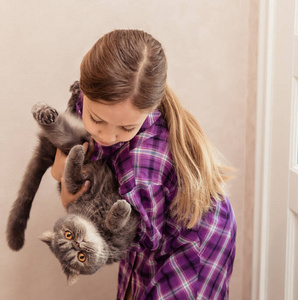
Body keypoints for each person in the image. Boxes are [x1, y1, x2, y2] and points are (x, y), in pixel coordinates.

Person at [50, 29, 236, 299]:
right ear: (84, 90)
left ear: (148, 110)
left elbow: (127, 240)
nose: (107, 136)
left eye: (125, 127)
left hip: (196, 244)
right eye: (97, 119)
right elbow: (71, 131)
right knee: (135, 285)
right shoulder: (89, 99)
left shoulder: (139, 173)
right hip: (153, 219)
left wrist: (71, 205)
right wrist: (60, 168)